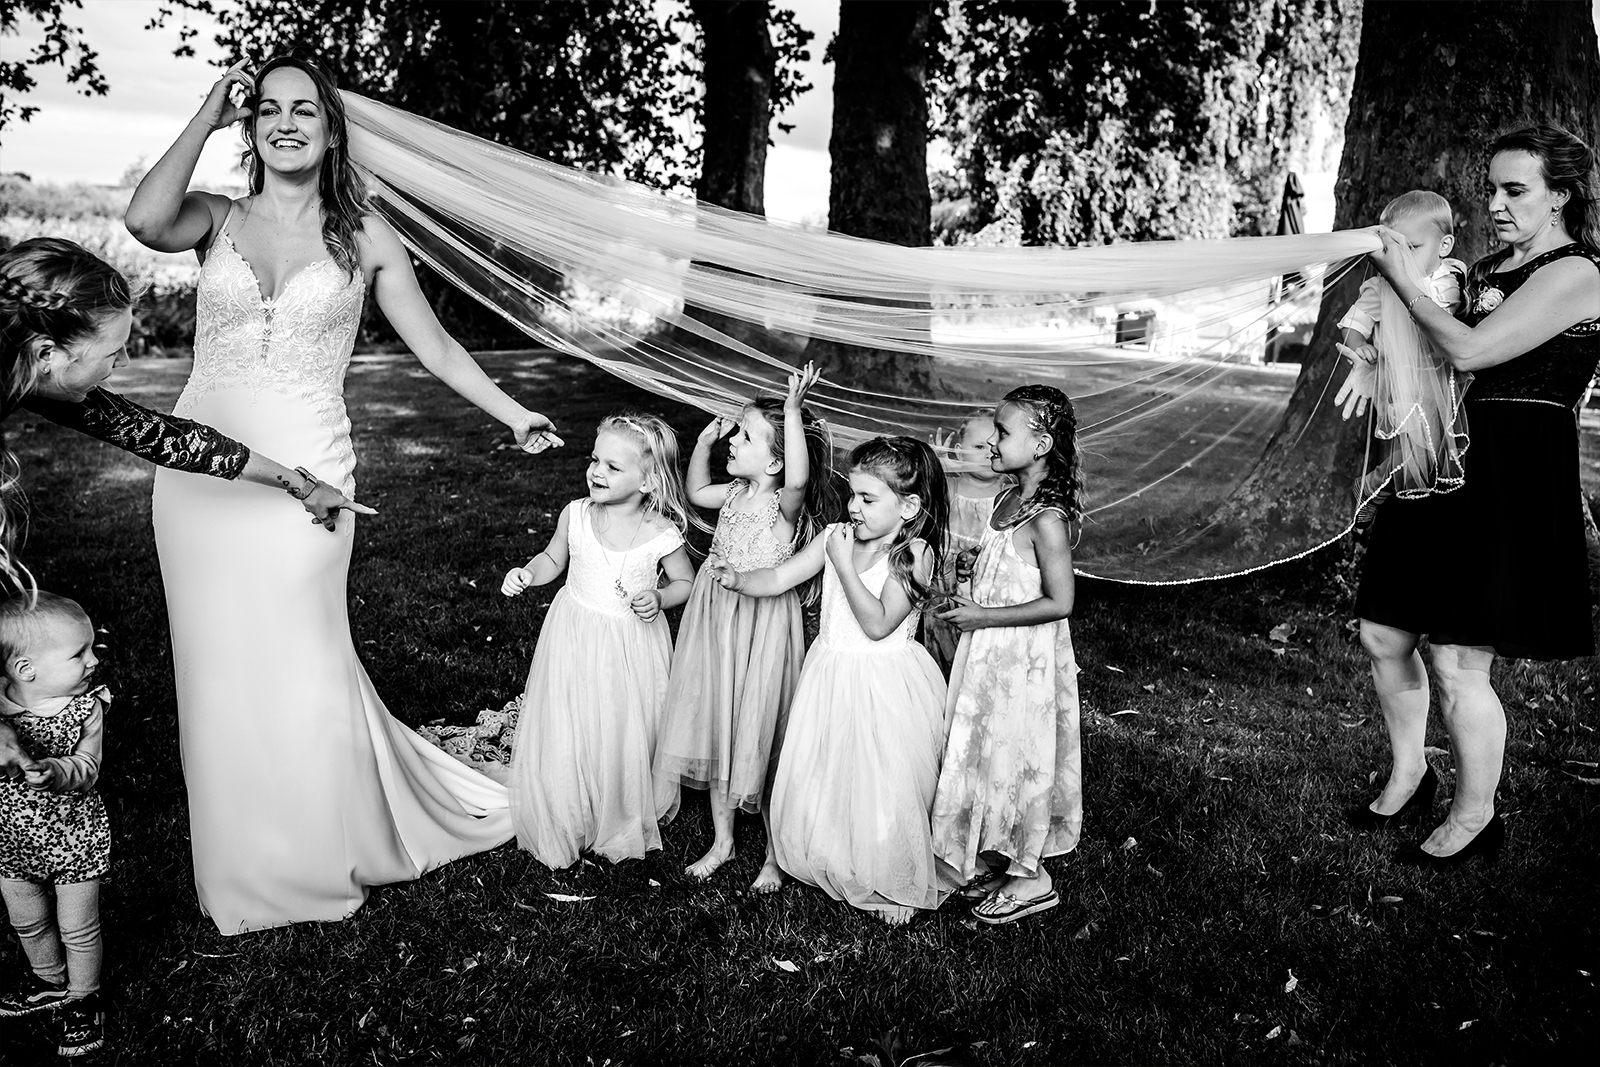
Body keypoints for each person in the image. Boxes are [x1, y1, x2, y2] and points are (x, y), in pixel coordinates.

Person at [122, 55, 560, 933]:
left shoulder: (365, 236)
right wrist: (208, 113)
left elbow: (435, 347)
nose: (285, 123)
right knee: (216, 666)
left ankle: (318, 849)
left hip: (311, 471)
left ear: (331, 132)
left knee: (304, 656)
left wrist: (513, 413)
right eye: (268, 110)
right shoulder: (216, 218)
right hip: (201, 477)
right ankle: (246, 860)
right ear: (251, 128)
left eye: (305, 111)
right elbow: (143, 220)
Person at [0, 237, 370, 781]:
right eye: (113, 352)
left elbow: (171, 439)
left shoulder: (30, 375)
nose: (123, 363)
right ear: (46, 355)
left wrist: (302, 484)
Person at [1349, 123, 1600, 867]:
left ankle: (1475, 815)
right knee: (1383, 632)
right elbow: (1430, 355)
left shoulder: (1580, 272)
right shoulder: (1483, 269)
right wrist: (1374, 353)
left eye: (1515, 190)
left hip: (1512, 472)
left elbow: (1469, 350)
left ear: (1561, 195)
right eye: (1490, 188)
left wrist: (1400, 277)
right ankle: (1410, 772)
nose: (1494, 203)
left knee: (1460, 658)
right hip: (1441, 459)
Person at [708, 437, 956, 924]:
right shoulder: (834, 537)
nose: (853, 507)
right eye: (852, 495)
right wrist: (740, 578)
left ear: (908, 507)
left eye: (868, 499)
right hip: (830, 673)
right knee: (822, 766)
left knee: (883, 777)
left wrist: (841, 564)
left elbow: (879, 623)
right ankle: (816, 853)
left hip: (884, 683)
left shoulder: (913, 553)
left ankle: (892, 874)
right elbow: (779, 578)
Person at [652, 363, 835, 891]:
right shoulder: (733, 494)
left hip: (762, 625)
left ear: (775, 460)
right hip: (716, 619)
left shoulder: (783, 505)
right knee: (719, 721)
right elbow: (695, 491)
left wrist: (793, 411)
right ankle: (723, 841)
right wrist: (704, 444)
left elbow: (798, 478)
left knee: (761, 726)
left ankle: (775, 854)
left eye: (745, 437)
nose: (733, 440)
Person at [503, 414, 694, 868]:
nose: (596, 472)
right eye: (594, 460)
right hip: (575, 635)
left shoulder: (661, 534)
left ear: (648, 481)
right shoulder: (577, 515)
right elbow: (553, 558)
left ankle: (619, 796)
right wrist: (528, 573)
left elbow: (686, 582)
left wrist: (660, 597)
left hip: (630, 648)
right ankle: (571, 791)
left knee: (621, 720)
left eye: (612, 466)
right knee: (573, 714)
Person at [930, 385, 1081, 925]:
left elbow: (1061, 602)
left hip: (1023, 664)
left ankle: (1032, 876)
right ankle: (1002, 854)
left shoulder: (1047, 518)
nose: (992, 442)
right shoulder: (1005, 501)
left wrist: (983, 617)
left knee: (1019, 756)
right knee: (990, 755)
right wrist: (972, 579)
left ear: (1041, 445)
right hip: (989, 655)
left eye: (1003, 432)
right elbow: (1007, 574)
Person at [0, 592, 110, 1057]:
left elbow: (88, 765)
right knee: (27, 920)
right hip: (11, 842)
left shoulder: (86, 709)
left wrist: (56, 771)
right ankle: (49, 980)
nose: (93, 661)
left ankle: (84, 997)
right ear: (26, 670)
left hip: (73, 838)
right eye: (78, 653)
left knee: (77, 926)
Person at [1331, 191, 1469, 514]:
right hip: (1406, 383)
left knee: (1440, 452)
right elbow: (1352, 323)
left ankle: (1396, 498)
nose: (1403, 258)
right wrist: (1359, 346)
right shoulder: (1382, 287)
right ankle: (1371, 487)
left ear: (1444, 246)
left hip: (1447, 380)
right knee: (1421, 452)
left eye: (1413, 248)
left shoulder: (1455, 275)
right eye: (1396, 249)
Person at [921, 413, 1008, 674]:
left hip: (987, 591)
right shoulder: (949, 488)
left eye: (994, 446)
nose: (988, 453)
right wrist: (938, 471)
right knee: (943, 653)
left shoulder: (1008, 494)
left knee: (982, 657)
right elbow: (919, 504)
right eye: (978, 446)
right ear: (959, 451)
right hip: (944, 588)